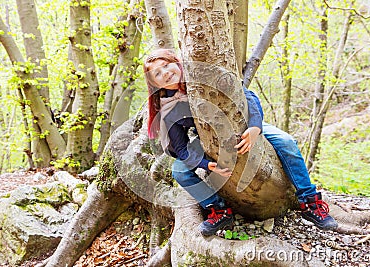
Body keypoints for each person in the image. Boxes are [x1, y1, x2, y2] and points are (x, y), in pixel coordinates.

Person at [143, 49, 338, 236]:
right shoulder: (168, 108)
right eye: (158, 74)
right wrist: (205, 163)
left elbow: (248, 96)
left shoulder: (200, 75)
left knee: (286, 142)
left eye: (166, 65)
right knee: (179, 171)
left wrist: (254, 127)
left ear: (176, 63)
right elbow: (181, 147)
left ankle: (310, 203)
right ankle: (218, 210)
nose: (166, 73)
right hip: (208, 136)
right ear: (154, 84)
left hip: (244, 123)